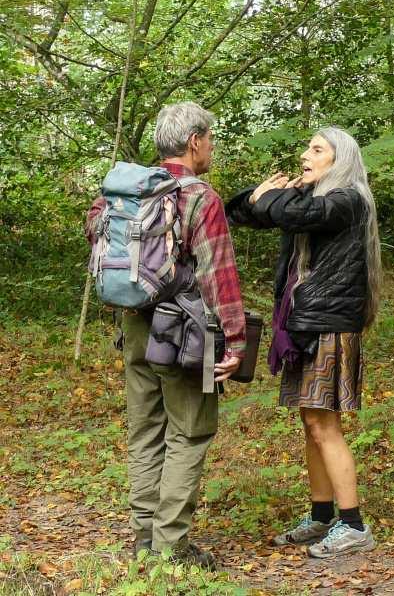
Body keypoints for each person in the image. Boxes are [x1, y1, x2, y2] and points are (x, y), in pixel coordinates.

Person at [86, 102, 246, 568]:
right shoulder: (200, 197)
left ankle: (143, 537)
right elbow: (219, 274)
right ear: (194, 141)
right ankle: (170, 547)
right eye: (210, 138)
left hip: (134, 327)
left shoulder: (124, 193)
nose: (211, 146)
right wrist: (233, 340)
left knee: (145, 431)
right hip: (186, 332)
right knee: (190, 432)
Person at [226, 126, 381, 558]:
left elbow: (291, 215)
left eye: (317, 150)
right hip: (304, 324)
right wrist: (257, 195)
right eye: (307, 148)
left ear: (341, 159)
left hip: (329, 325)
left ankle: (353, 527)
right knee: (311, 425)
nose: (304, 156)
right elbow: (240, 213)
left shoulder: (347, 201)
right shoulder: (310, 201)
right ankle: (321, 516)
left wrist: (274, 199)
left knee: (324, 425)